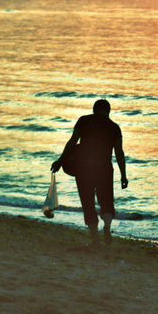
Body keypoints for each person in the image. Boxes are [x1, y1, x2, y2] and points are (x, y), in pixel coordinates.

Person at [51, 99, 128, 246]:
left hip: (84, 168)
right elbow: (119, 152)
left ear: (94, 109)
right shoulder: (114, 127)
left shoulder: (84, 121)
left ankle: (95, 240)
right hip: (104, 169)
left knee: (88, 203)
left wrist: (60, 161)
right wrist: (123, 175)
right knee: (106, 202)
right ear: (109, 111)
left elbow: (72, 141)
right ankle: (106, 226)